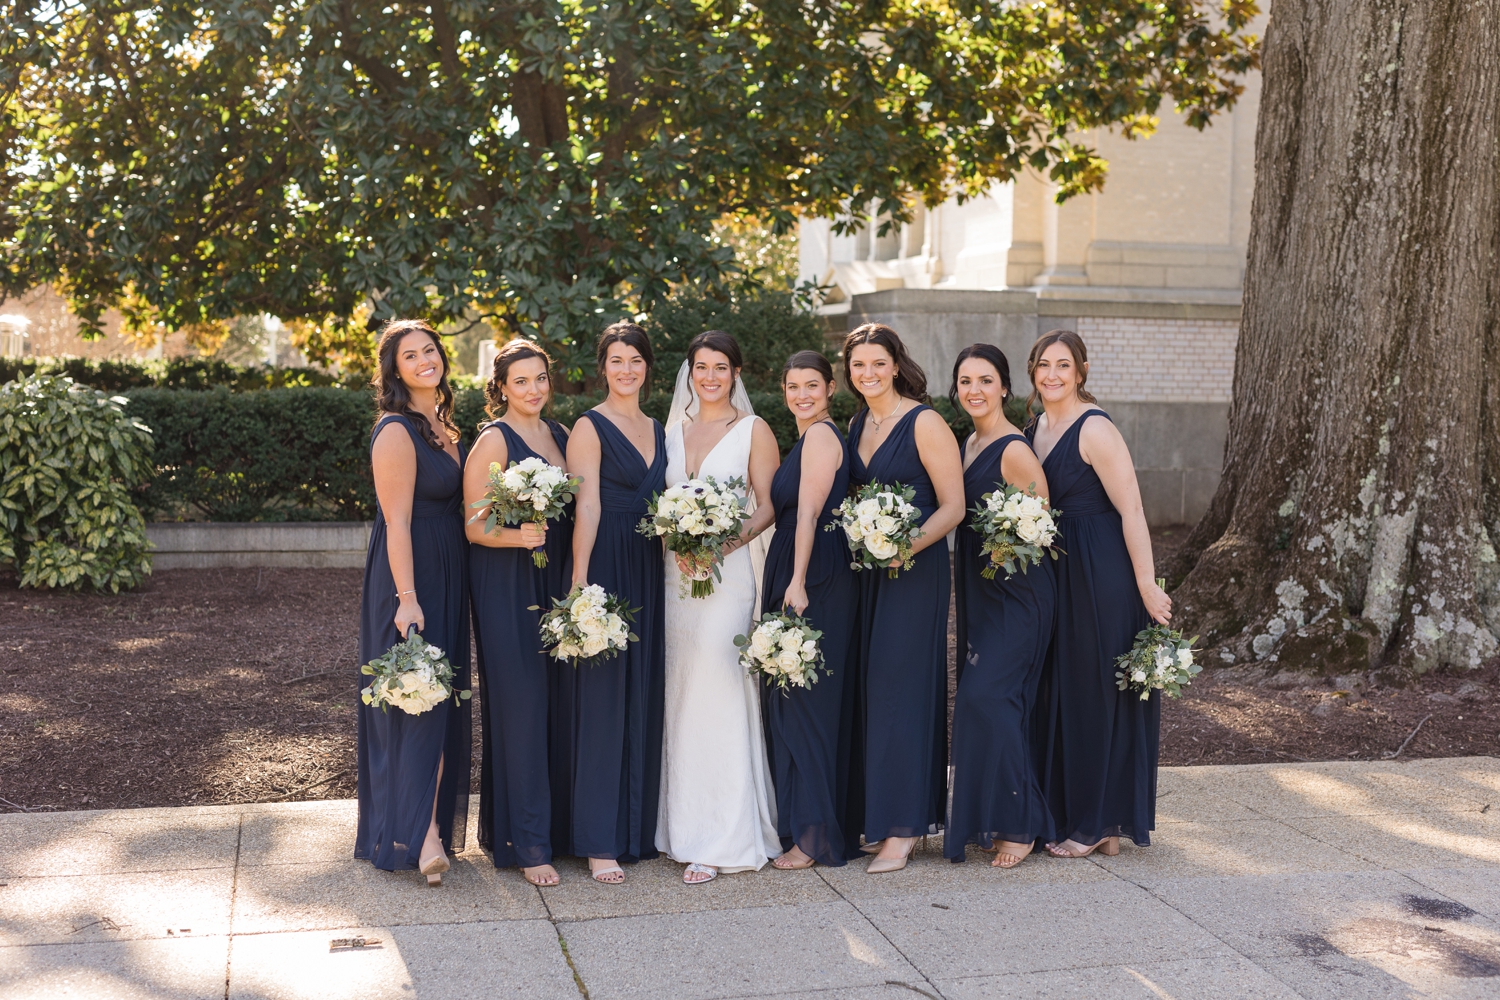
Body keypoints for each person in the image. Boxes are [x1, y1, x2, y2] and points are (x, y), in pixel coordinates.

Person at [1025, 330, 1171, 858]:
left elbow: (1132, 510)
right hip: (1056, 572)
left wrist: (1146, 584)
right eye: (1044, 365)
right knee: (1064, 691)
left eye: (1064, 365)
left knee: (1096, 693)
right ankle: (1094, 820)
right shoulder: (1035, 427)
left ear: (1081, 372)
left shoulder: (1096, 428)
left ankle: (1096, 823)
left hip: (1100, 570)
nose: (1053, 375)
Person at [655, 331, 781, 884]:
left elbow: (771, 504)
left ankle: (724, 836)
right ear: (690, 372)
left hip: (727, 579)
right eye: (701, 366)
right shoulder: (672, 434)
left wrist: (721, 546)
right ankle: (680, 828)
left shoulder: (754, 430)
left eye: (721, 367)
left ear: (735, 374)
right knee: (682, 693)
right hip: (676, 581)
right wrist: (676, 543)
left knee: (721, 686)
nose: (710, 376)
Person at [843, 323, 966, 874]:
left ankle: (906, 828)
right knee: (876, 689)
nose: (867, 374)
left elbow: (954, 506)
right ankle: (887, 816)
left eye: (876, 364)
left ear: (896, 364)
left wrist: (905, 548)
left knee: (904, 687)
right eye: (857, 366)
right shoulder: (856, 423)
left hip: (914, 572)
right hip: (868, 575)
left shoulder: (925, 421)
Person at [355, 319, 472, 887]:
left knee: (440, 696)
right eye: (411, 355)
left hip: (448, 572)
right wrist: (407, 599)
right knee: (414, 699)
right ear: (394, 369)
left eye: (430, 350)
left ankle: (426, 825)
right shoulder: (396, 430)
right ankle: (420, 833)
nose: (425, 360)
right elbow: (396, 521)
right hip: (410, 578)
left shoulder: (444, 425)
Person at [464, 339, 572, 887]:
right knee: (522, 705)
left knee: (555, 703)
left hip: (552, 578)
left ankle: (552, 829)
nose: (533, 390)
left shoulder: (559, 435)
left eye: (540, 379)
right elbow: (474, 526)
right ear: (501, 387)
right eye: (521, 381)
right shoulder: (493, 440)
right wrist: (517, 536)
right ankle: (527, 844)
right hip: (507, 583)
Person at [945, 344, 1056, 868]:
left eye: (985, 380)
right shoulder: (968, 442)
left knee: (987, 699)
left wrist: (998, 551)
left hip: (1018, 594)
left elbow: (1042, 519)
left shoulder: (1012, 448)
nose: (975, 390)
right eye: (965, 381)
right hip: (982, 592)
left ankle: (1021, 824)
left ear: (1006, 387)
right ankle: (992, 815)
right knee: (981, 701)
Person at [564, 322, 668, 884]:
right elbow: (587, 508)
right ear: (602, 367)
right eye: (615, 360)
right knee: (603, 699)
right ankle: (599, 840)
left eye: (635, 360)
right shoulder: (590, 425)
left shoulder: (658, 426)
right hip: (606, 564)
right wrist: (581, 582)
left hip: (651, 566)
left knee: (642, 692)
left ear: (647, 367)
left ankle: (635, 829)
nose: (626, 369)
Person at [760, 351, 860, 870]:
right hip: (794, 564)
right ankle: (803, 825)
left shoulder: (821, 436)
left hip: (814, 571)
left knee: (806, 703)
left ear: (830, 389)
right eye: (793, 386)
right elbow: (777, 513)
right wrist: (720, 545)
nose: (802, 395)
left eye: (812, 386)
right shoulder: (803, 437)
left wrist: (797, 581)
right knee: (790, 696)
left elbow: (810, 514)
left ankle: (814, 837)